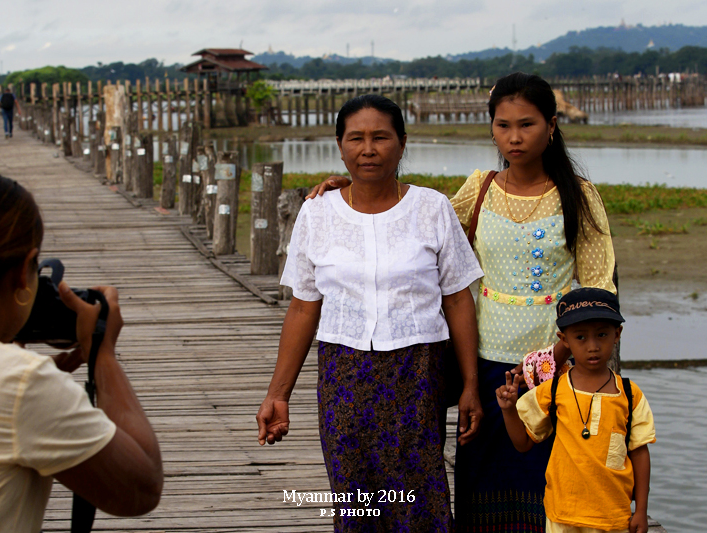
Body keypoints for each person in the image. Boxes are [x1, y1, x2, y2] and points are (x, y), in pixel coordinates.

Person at [308, 72, 617, 531]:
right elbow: (417, 228)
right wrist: (357, 185)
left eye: (527, 124)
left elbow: (597, 291)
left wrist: (560, 353)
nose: (514, 137)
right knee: (482, 486)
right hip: (485, 363)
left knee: (552, 481)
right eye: (503, 125)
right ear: (491, 127)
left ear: (552, 126)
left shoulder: (580, 197)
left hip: (557, 366)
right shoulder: (481, 188)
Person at [256, 94, 484, 532]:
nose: (368, 149)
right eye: (356, 138)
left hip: (418, 371)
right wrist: (277, 394)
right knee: (356, 497)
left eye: (381, 137)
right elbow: (304, 306)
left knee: (420, 493)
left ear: (401, 143)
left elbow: (457, 298)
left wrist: (471, 382)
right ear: (340, 146)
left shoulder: (431, 208)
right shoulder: (317, 212)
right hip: (344, 372)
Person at [0, 174, 163, 532]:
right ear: (21, 272)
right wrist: (101, 353)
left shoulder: (8, 376)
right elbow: (142, 488)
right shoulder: (16, 380)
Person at [496, 287, 655, 533]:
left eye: (602, 335)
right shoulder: (553, 390)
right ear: (564, 340)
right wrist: (508, 411)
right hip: (563, 515)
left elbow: (639, 452)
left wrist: (641, 511)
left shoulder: (630, 394)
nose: (592, 346)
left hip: (613, 517)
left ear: (617, 334)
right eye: (580, 337)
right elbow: (524, 443)